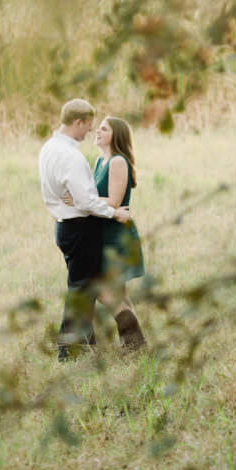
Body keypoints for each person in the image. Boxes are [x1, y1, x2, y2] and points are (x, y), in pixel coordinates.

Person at [38, 98, 130, 361]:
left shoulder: (48, 148)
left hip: (64, 226)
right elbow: (86, 202)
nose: (88, 132)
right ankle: (68, 352)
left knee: (85, 289)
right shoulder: (71, 156)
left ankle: (87, 345)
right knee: (80, 292)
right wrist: (115, 212)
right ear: (77, 122)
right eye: (88, 126)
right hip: (80, 228)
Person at [90, 116, 147, 352]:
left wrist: (79, 200)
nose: (98, 131)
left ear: (117, 135)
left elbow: (113, 202)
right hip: (104, 233)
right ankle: (135, 346)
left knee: (101, 290)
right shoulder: (99, 161)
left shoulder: (117, 162)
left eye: (105, 129)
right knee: (118, 293)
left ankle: (135, 343)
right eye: (99, 128)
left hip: (117, 236)